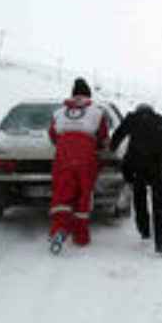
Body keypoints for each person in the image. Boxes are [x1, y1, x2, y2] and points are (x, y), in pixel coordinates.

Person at [47, 78, 109, 250]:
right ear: (89, 95)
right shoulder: (97, 112)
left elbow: (52, 135)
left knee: (62, 194)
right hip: (86, 156)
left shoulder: (58, 112)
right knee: (83, 194)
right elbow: (103, 137)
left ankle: (59, 229)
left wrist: (65, 144)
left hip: (64, 155)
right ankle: (80, 236)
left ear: (72, 94)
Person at [111, 103, 162, 255]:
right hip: (159, 166)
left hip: (138, 165)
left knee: (139, 197)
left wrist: (112, 152)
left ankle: (144, 230)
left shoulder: (132, 119)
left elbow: (117, 137)